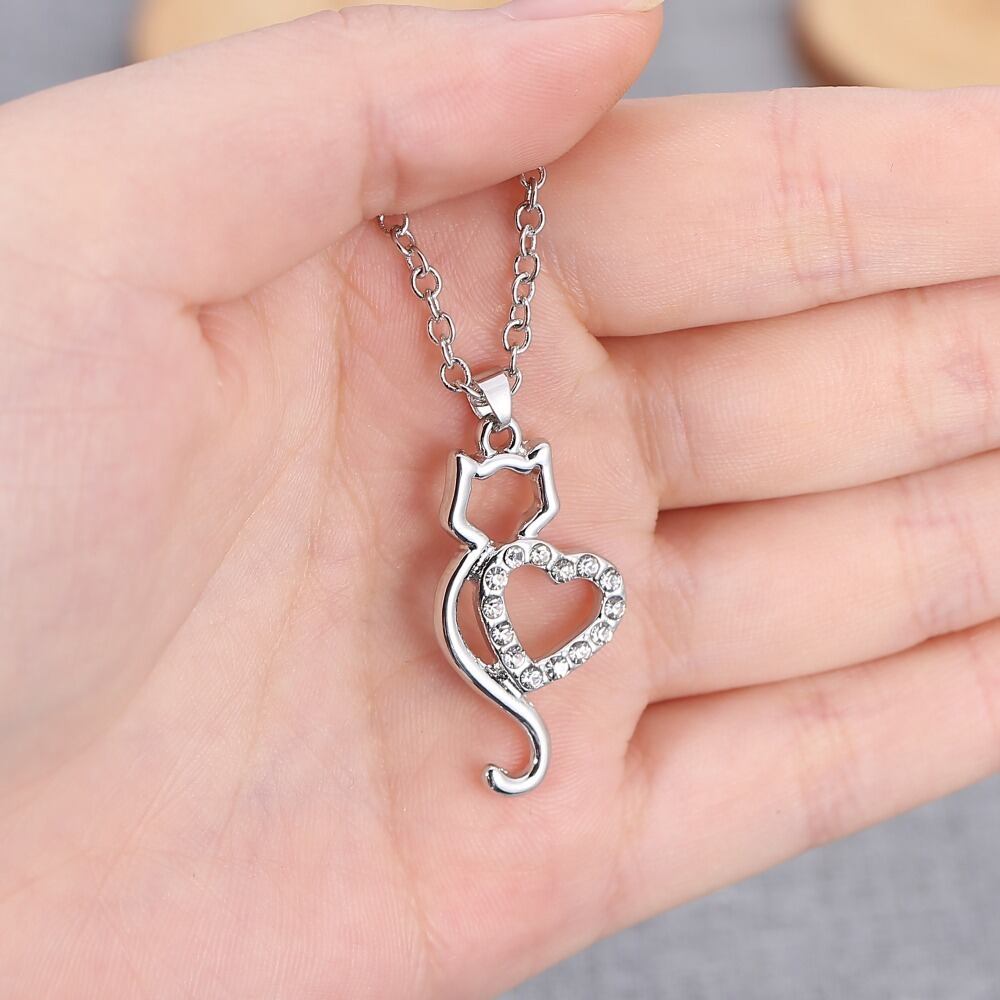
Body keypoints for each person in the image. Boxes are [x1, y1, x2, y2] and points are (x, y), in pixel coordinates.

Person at [1, 2, 998, 996]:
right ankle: (521, 716)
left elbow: (521, 513)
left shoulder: (516, 516)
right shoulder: (479, 535)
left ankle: (524, 718)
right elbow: (476, 526)